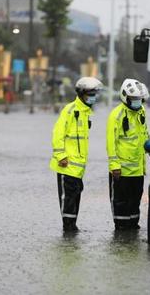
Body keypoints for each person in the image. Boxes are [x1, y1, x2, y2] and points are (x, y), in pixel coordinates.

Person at [49, 76, 103, 231]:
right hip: (66, 164)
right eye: (90, 94)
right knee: (68, 198)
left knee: (75, 196)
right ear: (81, 94)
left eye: (94, 94)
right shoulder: (70, 110)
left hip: (78, 167)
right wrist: (61, 156)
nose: (93, 97)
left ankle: (72, 225)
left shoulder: (85, 112)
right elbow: (58, 134)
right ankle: (68, 227)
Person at [106, 79, 150, 230]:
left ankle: (133, 224)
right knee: (120, 200)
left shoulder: (141, 111)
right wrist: (114, 166)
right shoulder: (116, 115)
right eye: (135, 100)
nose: (138, 102)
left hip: (137, 169)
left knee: (135, 199)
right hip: (121, 170)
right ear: (125, 97)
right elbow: (111, 143)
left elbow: (143, 133)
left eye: (140, 99)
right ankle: (121, 227)